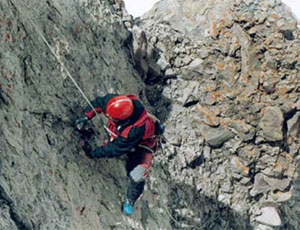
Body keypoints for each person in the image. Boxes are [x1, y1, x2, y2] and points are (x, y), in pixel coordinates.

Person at [75, 94, 157, 216]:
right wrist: (85, 116)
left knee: (137, 174)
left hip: (144, 145)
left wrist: (93, 153)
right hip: (123, 135)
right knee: (116, 139)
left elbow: (115, 149)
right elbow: (98, 102)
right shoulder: (117, 103)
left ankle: (130, 200)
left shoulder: (134, 130)